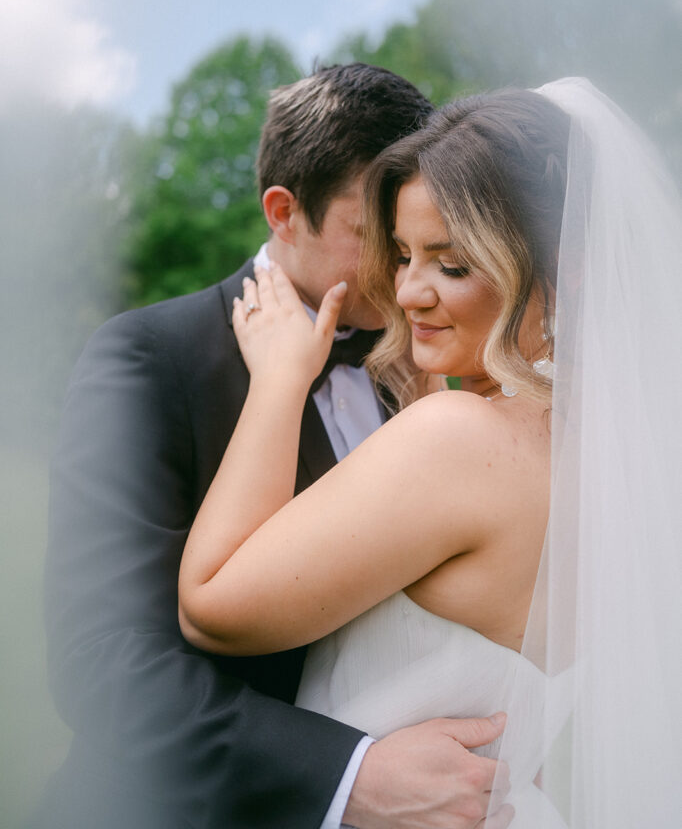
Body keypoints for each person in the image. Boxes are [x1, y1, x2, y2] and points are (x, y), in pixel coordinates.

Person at [178, 78, 682, 827]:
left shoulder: (461, 438)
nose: (407, 291)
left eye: (451, 264)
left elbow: (212, 606)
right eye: (405, 253)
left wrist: (282, 382)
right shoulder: (625, 455)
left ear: (561, 268)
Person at [35, 63, 513, 829]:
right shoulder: (150, 356)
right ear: (284, 212)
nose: (403, 277)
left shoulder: (424, 364)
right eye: (376, 239)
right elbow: (102, 662)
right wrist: (349, 778)